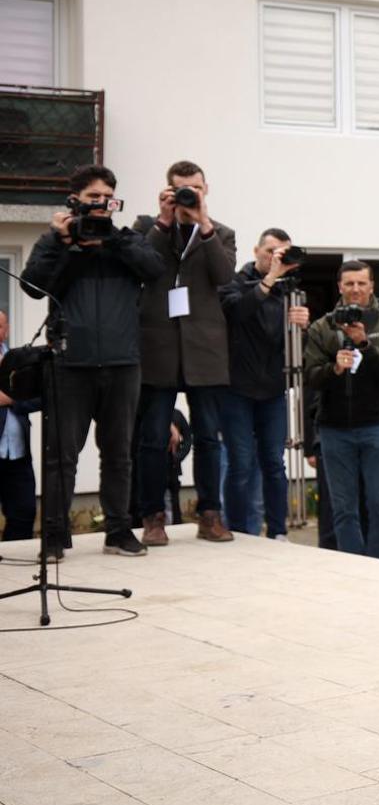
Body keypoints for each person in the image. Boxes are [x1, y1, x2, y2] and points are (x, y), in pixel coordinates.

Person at [22, 166, 166, 558]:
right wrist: (59, 239)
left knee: (119, 453)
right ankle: (53, 536)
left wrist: (115, 240)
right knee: (61, 456)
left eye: (107, 197)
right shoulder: (60, 242)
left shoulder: (126, 240)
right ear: (75, 200)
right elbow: (31, 286)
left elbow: (154, 270)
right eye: (92, 197)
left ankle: (119, 531)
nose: (100, 204)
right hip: (70, 364)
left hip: (122, 363)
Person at [134, 159, 237, 545]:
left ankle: (210, 515)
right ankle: (152, 517)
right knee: (151, 436)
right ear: (167, 190)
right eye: (180, 188)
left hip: (205, 350)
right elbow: (140, 266)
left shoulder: (220, 233)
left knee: (210, 436)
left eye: (194, 187)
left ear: (205, 189)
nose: (187, 194)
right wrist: (164, 221)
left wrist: (203, 224)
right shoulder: (148, 229)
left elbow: (224, 277)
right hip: (158, 347)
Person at [304, 261, 379, 559]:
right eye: (349, 284)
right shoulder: (322, 327)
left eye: (361, 283)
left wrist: (365, 344)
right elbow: (311, 376)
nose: (355, 290)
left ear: (371, 286)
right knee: (343, 509)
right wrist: (334, 368)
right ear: (340, 287)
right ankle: (353, 569)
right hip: (335, 428)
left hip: (376, 426)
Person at [217, 229, 309, 540]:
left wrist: (301, 327)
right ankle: (238, 530)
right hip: (236, 389)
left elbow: (296, 350)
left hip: (272, 390)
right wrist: (269, 280)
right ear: (256, 250)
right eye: (270, 250)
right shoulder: (235, 281)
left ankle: (278, 531)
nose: (275, 257)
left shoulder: (290, 292)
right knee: (240, 463)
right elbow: (237, 311)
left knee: (274, 463)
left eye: (283, 252)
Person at [0, 308, 41, 541]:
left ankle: (15, 558)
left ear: (6, 331)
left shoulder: (19, 361)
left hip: (18, 454)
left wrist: (11, 399)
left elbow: (39, 397)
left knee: (24, 513)